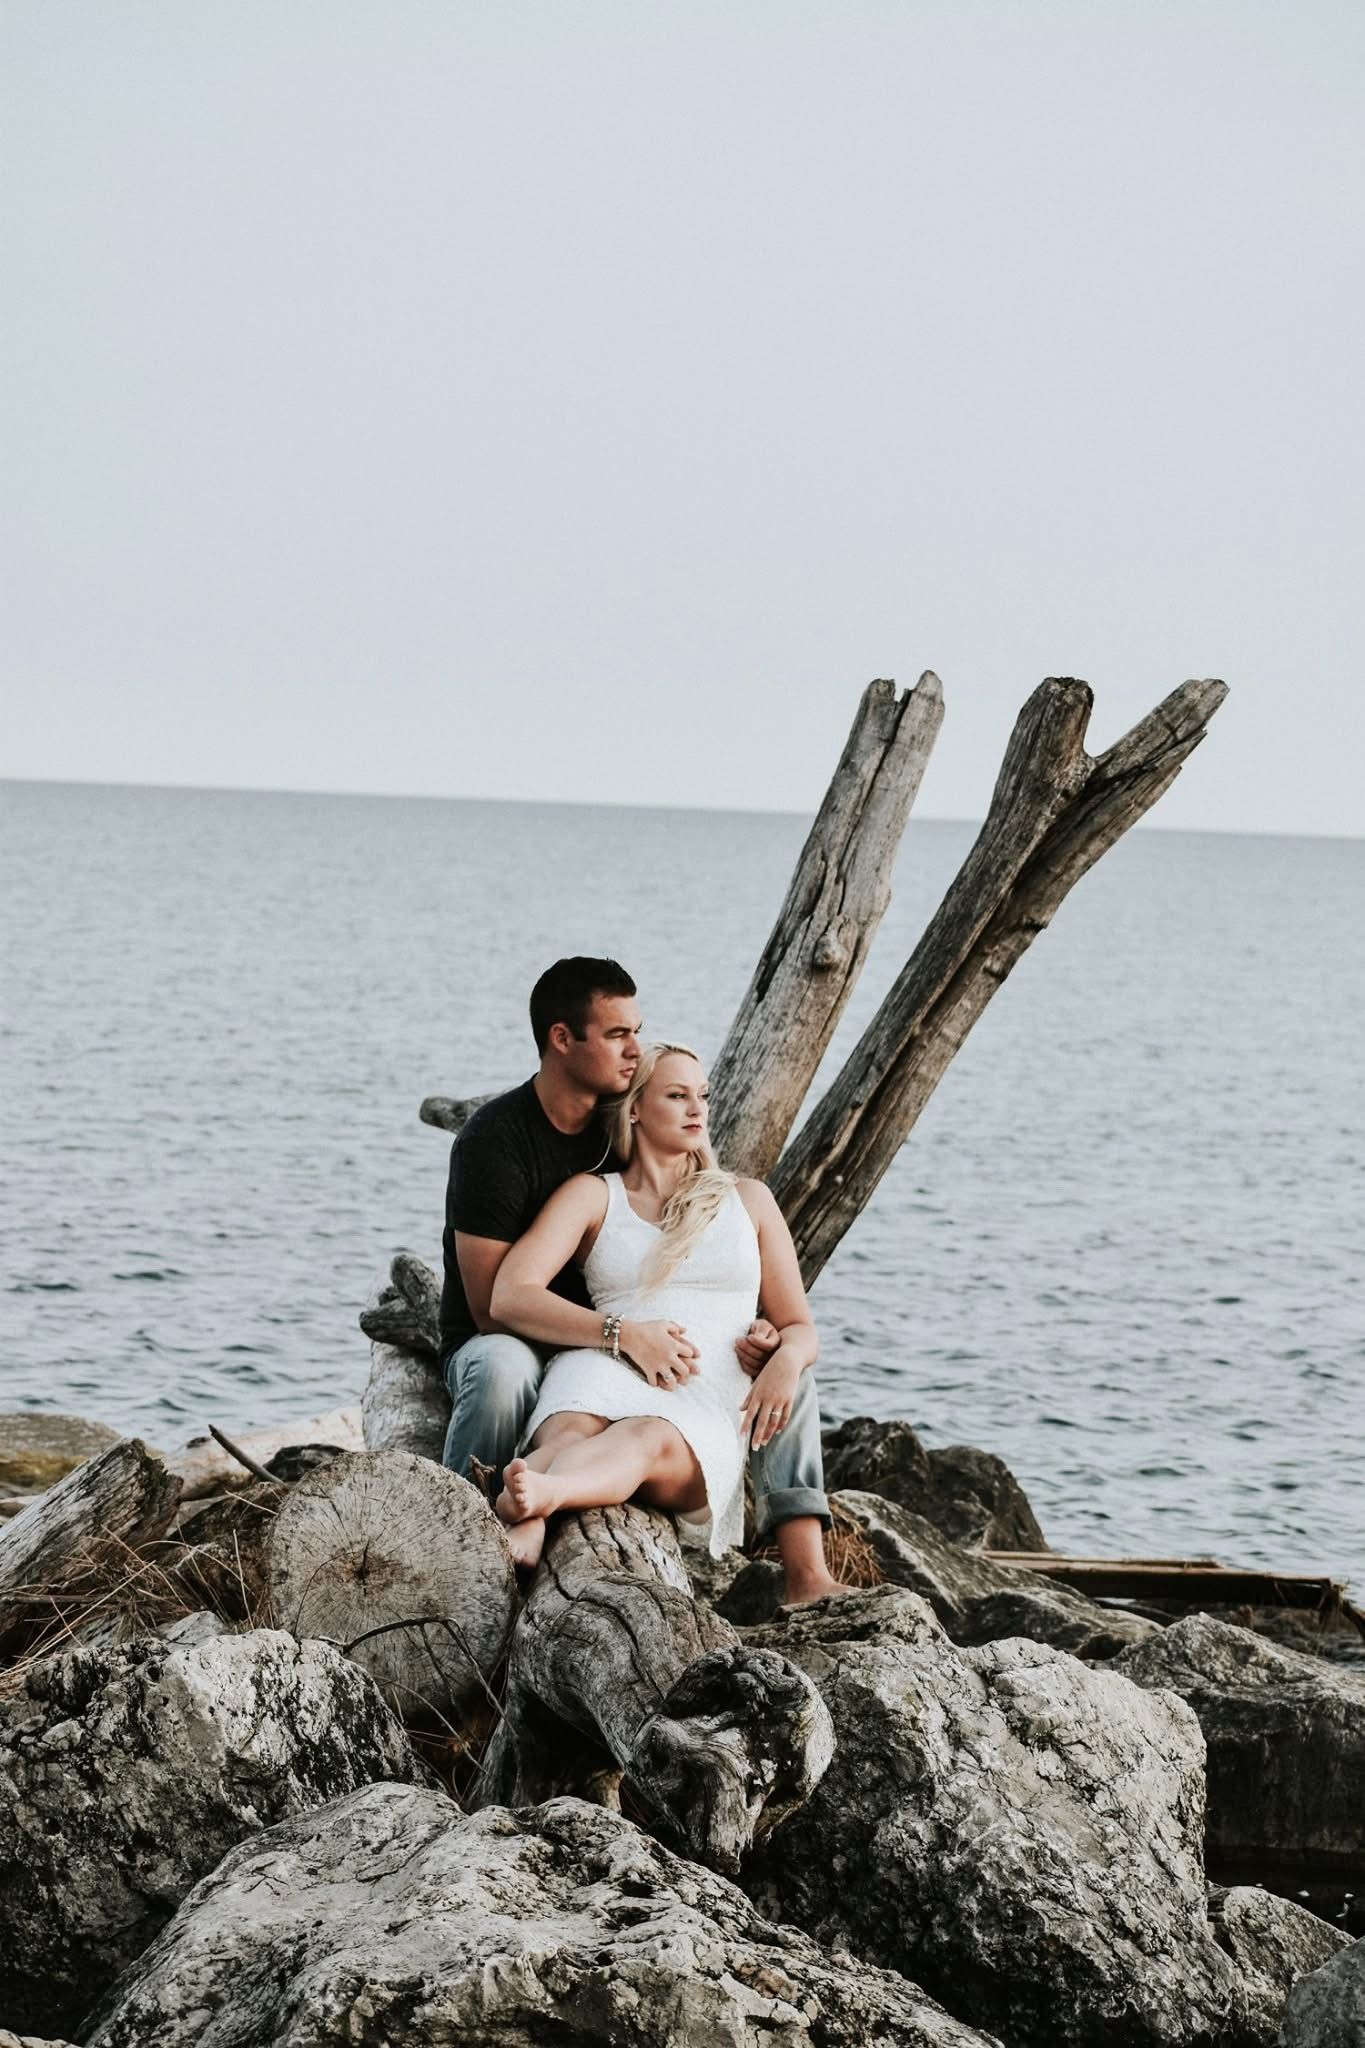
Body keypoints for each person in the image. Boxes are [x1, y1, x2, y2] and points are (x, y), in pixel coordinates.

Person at [438, 956, 836, 1600]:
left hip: (692, 1383)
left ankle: (537, 1501)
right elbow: (497, 1304)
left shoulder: (746, 1198)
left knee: (651, 1433)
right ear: (637, 1110)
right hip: (579, 1349)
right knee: (529, 1388)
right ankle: (456, 1525)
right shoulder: (534, 1159)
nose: (697, 1109)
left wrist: (785, 1353)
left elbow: (799, 1325)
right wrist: (621, 1335)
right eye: (676, 1094)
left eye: (702, 1095)